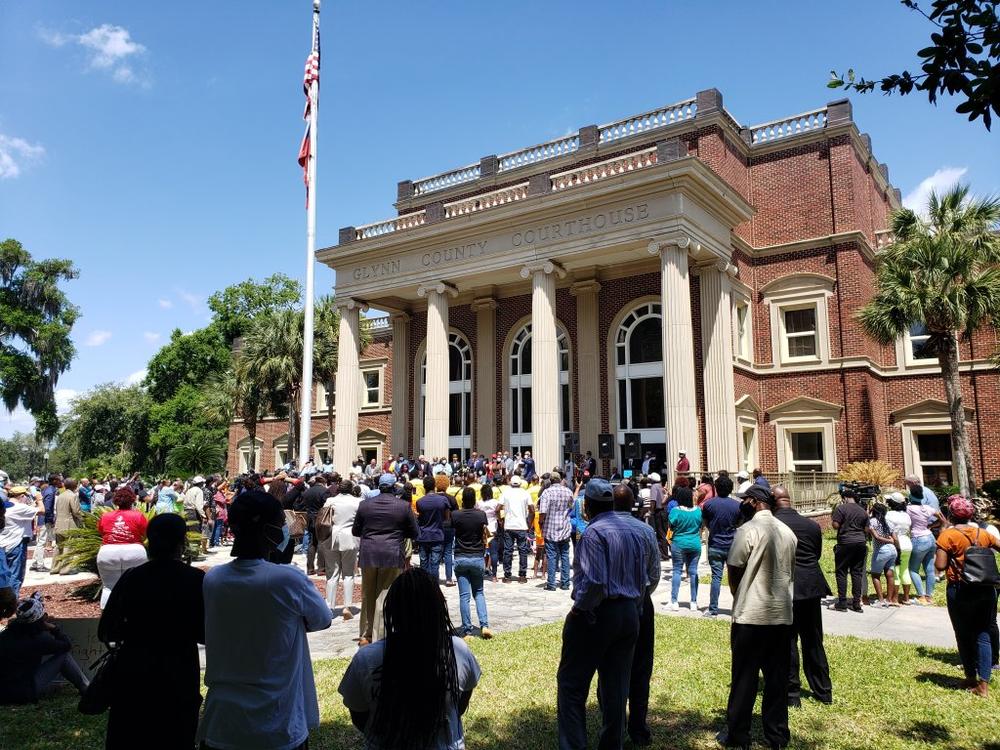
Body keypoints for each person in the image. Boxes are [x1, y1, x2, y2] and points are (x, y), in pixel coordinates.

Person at [198, 490, 332, 750]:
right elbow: (322, 619)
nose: (285, 529)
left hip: (223, 722)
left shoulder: (213, 579)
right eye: (281, 523)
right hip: (277, 721)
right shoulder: (288, 580)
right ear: (267, 529)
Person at [556, 478, 659, 750]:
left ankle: (573, 745)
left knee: (571, 686)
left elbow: (594, 583)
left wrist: (580, 610)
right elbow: (648, 578)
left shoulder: (593, 533)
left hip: (599, 613)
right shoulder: (637, 531)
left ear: (587, 506)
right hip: (631, 612)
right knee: (617, 688)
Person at [338, 569, 481, 749]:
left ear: (393, 612)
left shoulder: (366, 660)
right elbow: (460, 704)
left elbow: (359, 715)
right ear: (438, 609)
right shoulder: (457, 650)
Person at [100, 514, 205, 749]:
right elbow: (205, 633)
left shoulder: (132, 578)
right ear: (182, 542)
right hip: (179, 671)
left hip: (134, 671)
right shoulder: (196, 580)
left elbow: (107, 631)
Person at [718, 485, 798, 750]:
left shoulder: (747, 530)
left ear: (753, 502)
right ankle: (777, 736)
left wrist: (739, 593)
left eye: (745, 500)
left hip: (751, 616)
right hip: (781, 616)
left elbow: (735, 567)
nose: (743, 504)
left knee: (744, 679)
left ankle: (738, 735)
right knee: (776, 681)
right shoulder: (788, 532)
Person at [610, 483, 661, 747]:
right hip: (641, 604)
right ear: (633, 504)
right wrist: (640, 595)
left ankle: (614, 727)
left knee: (611, 668)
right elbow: (654, 574)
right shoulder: (645, 530)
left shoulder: (601, 529)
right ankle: (638, 728)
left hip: (611, 606)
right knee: (641, 668)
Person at [773, 486, 833, 707]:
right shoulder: (812, 525)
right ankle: (823, 691)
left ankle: (792, 695)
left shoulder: (774, 527)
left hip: (786, 588)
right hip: (811, 587)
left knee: (787, 641)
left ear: (773, 502)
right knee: (814, 640)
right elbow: (816, 554)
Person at [935, 496, 1000, 697]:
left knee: (963, 633)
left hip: (960, 588)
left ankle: (970, 677)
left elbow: (940, 565)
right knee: (983, 634)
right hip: (987, 588)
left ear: (951, 515)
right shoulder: (983, 533)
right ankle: (984, 684)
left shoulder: (948, 536)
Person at [352, 473, 420, 647]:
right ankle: (380, 635)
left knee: (368, 594)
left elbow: (356, 531)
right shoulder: (403, 506)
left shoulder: (364, 505)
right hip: (391, 552)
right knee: (386, 594)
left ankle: (366, 635)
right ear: (393, 487)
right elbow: (414, 533)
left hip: (369, 552)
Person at [0, 592, 89, 705]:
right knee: (63, 657)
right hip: (23, 693)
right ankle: (86, 688)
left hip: (3, 692)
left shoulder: (6, 635)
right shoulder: (39, 640)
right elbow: (66, 645)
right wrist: (54, 629)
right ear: (40, 620)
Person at [95, 486, 149, 608]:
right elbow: (146, 534)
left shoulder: (106, 516)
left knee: (108, 587)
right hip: (134, 552)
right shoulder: (138, 516)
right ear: (132, 500)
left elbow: (102, 532)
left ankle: (107, 618)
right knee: (136, 587)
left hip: (108, 552)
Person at [318, 479, 362, 620]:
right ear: (351, 489)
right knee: (349, 574)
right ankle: (347, 606)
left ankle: (330, 606)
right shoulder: (358, 502)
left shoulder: (330, 501)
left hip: (332, 537)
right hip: (350, 537)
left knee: (332, 574)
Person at [452, 487, 492, 639]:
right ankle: (484, 625)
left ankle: (467, 630)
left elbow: (452, 527)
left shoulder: (456, 515)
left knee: (464, 596)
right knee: (479, 593)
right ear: (475, 500)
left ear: (462, 499)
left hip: (461, 556)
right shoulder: (480, 515)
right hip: (477, 557)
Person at [701, 475, 741, 617]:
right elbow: (739, 524)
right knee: (735, 579)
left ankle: (713, 609)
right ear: (731, 489)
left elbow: (705, 521)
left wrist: (713, 529)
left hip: (715, 545)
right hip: (733, 546)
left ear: (716, 488)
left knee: (716, 577)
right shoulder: (737, 505)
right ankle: (738, 609)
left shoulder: (709, 504)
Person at [830, 492, 869, 612]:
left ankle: (842, 602)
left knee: (841, 572)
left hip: (845, 542)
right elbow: (866, 529)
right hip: (860, 543)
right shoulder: (863, 510)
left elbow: (836, 525)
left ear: (845, 498)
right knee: (856, 573)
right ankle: (857, 603)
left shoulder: (841, 509)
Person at [2, 487, 42, 598]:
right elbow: (42, 510)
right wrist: (39, 499)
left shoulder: (4, 506)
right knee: (15, 575)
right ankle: (12, 601)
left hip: (3, 543)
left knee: (4, 575)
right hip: (16, 544)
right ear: (22, 496)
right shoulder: (20, 507)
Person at [907, 488, 944, 604]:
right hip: (930, 537)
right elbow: (942, 519)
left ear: (911, 497)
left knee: (913, 569)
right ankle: (929, 597)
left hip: (918, 538)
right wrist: (932, 526)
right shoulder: (928, 508)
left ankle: (921, 596)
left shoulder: (909, 509)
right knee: (929, 570)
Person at [667, 485, 702, 611]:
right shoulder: (698, 510)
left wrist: (670, 538)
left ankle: (674, 601)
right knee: (693, 572)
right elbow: (700, 526)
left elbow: (671, 525)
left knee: (677, 570)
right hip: (695, 543)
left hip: (679, 543)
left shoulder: (675, 511)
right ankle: (693, 602)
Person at [539, 472, 575, 592]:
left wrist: (540, 523)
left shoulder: (547, 492)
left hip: (550, 528)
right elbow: (571, 507)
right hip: (564, 527)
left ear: (550, 480)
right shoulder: (568, 491)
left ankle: (551, 583)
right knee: (565, 555)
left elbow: (543, 511)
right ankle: (565, 583)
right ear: (560, 480)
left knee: (552, 556)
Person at [498, 474, 533, 583]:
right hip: (521, 526)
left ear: (510, 483)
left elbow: (497, 508)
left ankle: (507, 576)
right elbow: (532, 509)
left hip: (509, 526)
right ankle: (522, 576)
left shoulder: (506, 493)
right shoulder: (525, 493)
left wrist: (500, 520)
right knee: (523, 550)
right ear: (520, 483)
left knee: (508, 551)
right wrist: (529, 522)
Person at [416, 475, 449, 580]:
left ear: (424, 487)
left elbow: (420, 518)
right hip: (437, 535)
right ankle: (434, 586)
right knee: (435, 564)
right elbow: (447, 518)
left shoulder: (420, 502)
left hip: (423, 536)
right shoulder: (443, 500)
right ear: (434, 486)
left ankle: (424, 587)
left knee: (423, 563)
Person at [867, 501, 898, 607]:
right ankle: (889, 599)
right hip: (892, 551)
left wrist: (889, 541)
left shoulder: (872, 521)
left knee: (875, 575)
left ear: (873, 511)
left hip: (881, 550)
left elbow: (876, 537)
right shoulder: (889, 522)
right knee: (890, 575)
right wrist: (895, 545)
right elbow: (894, 538)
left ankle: (881, 600)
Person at [885, 493, 913, 604]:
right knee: (905, 570)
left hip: (897, 543)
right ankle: (906, 598)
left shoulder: (889, 515)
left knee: (895, 571)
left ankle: (895, 599)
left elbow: (890, 531)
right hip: (907, 543)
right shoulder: (906, 515)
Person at [51, 477, 82, 575]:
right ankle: (65, 569)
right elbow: (76, 511)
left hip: (58, 524)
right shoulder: (73, 496)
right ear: (74, 486)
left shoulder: (60, 495)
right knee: (69, 547)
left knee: (59, 547)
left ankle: (55, 568)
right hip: (69, 524)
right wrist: (83, 518)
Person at [30, 474, 60, 573]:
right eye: (59, 480)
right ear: (54, 481)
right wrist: (51, 520)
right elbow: (47, 508)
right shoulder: (51, 492)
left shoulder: (47, 490)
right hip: (45, 519)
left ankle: (35, 562)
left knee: (40, 541)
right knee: (42, 542)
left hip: (43, 518)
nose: (60, 481)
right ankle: (39, 565)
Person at [477, 484, 502, 580]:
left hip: (482, 529)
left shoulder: (479, 503)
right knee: (494, 552)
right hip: (493, 528)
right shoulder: (495, 502)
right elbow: (499, 514)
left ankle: (481, 571)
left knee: (481, 552)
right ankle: (494, 576)